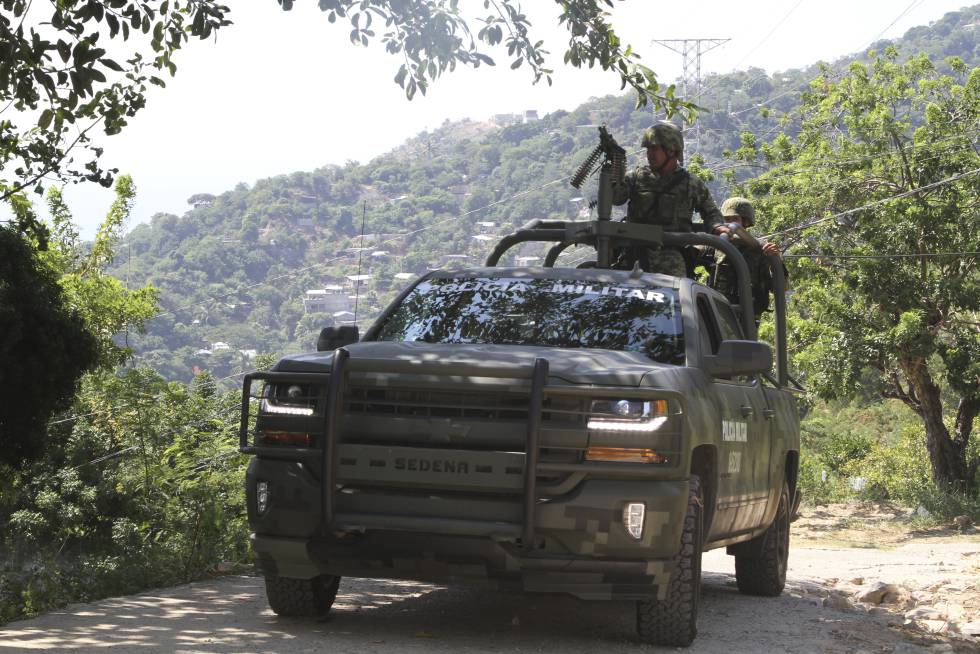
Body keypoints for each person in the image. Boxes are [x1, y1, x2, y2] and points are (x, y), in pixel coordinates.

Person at [611, 121, 724, 276]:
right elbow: (616, 198)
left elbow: (711, 213)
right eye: (648, 148)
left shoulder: (690, 183)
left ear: (671, 151)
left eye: (654, 148)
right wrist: (613, 173)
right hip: (634, 255)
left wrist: (718, 227)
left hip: (671, 259)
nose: (649, 154)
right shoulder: (636, 177)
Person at [711, 197, 786, 321]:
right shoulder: (715, 245)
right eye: (727, 220)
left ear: (745, 222)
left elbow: (780, 287)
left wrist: (776, 260)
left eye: (735, 219)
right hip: (717, 314)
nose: (730, 224)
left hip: (748, 317)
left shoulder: (759, 248)